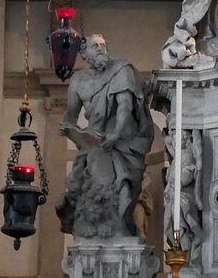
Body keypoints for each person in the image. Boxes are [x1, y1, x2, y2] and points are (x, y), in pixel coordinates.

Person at [56, 36, 156, 238]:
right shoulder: (78, 81)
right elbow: (71, 115)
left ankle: (121, 231)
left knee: (126, 190)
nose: (101, 49)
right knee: (94, 178)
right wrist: (66, 128)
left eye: (103, 45)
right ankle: (98, 231)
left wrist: (116, 135)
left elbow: (125, 106)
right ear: (84, 54)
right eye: (95, 46)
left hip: (125, 142)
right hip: (96, 143)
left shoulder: (121, 70)